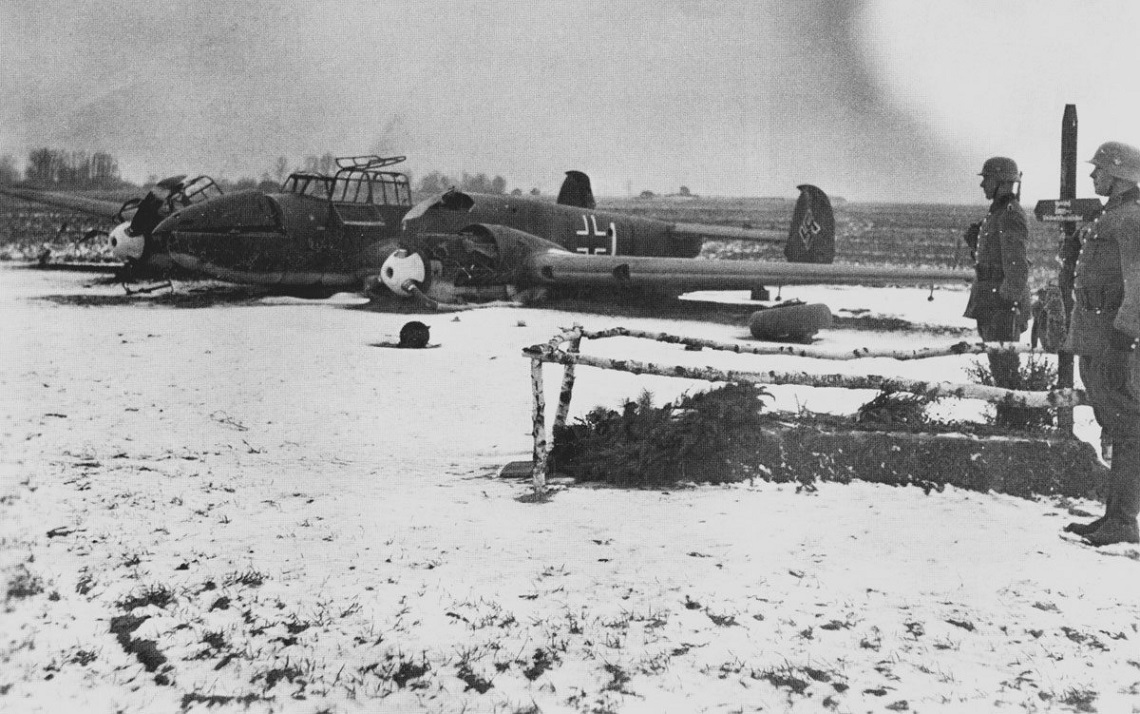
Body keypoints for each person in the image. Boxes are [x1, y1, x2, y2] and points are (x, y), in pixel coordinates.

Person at [1063, 141, 1140, 546]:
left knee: (1127, 429)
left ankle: (1123, 520)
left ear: (1119, 172)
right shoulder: (1113, 216)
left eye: (1099, 169)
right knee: (1115, 424)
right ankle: (1114, 517)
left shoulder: (1131, 219)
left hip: (1114, 340)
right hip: (1097, 337)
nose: (1093, 175)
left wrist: (1123, 341)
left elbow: (1138, 286)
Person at [963, 157, 1032, 426]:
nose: (982, 184)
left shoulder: (1009, 214)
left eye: (987, 179)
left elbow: (1017, 267)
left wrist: (1007, 304)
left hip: (1001, 306)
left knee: (1005, 372)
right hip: (991, 301)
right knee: (1000, 368)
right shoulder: (998, 213)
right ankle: (1008, 421)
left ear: (1002, 181)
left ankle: (1013, 424)